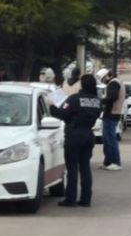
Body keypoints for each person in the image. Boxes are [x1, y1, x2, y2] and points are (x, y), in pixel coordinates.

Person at [50, 74, 100, 207]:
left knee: (72, 168)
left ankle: (70, 198)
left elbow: (61, 114)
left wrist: (52, 106)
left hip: (74, 135)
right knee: (85, 168)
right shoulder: (97, 100)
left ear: (82, 84)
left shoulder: (74, 99)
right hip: (89, 134)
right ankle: (86, 199)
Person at [98, 69, 125, 171]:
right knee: (107, 139)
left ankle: (115, 162)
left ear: (107, 76)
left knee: (110, 139)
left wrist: (100, 101)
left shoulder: (113, 83)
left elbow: (112, 97)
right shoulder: (117, 82)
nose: (103, 81)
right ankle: (108, 162)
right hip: (113, 113)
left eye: (103, 79)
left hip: (111, 113)